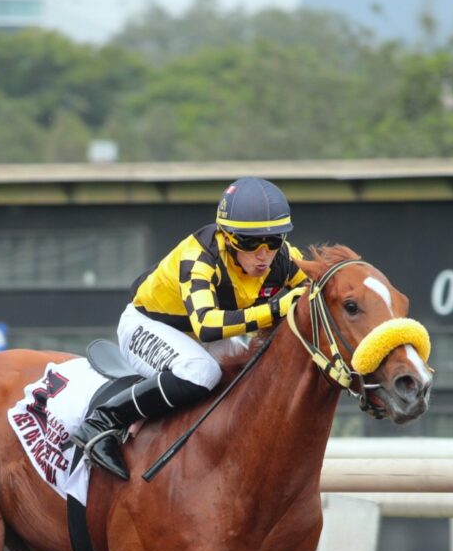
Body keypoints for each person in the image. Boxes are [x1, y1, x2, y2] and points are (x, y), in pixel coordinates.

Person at [75, 176, 309, 480]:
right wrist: (275, 308)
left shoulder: (284, 259)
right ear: (225, 235)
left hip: (197, 333)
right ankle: (104, 419)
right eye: (250, 242)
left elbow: (320, 289)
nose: (263, 254)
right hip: (148, 325)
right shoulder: (199, 258)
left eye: (274, 240)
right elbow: (207, 326)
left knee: (257, 366)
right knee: (202, 372)